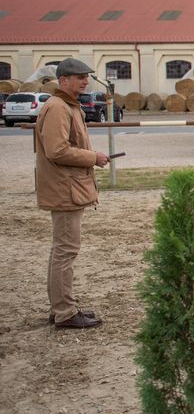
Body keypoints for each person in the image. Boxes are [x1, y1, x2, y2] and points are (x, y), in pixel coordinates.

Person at [36, 58, 109, 329]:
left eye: (86, 77)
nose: (85, 81)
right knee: (66, 251)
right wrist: (93, 157)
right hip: (65, 189)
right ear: (63, 80)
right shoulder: (58, 108)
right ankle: (65, 312)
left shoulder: (66, 105)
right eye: (80, 77)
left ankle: (61, 307)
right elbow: (57, 150)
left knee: (62, 250)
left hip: (67, 187)